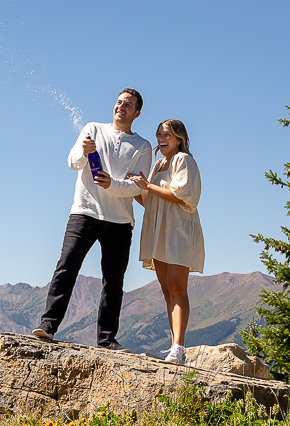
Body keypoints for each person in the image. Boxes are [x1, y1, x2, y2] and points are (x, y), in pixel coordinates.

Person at [32, 89, 153, 350]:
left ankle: (106, 339)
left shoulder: (143, 146)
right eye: (119, 102)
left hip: (120, 220)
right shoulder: (92, 129)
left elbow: (138, 187)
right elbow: (72, 163)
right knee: (66, 267)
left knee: (114, 281)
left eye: (128, 105)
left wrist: (112, 184)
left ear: (137, 113)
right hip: (84, 212)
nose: (121, 107)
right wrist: (83, 153)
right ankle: (47, 326)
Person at [130, 119, 204, 364]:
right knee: (165, 290)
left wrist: (147, 186)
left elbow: (181, 195)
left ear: (179, 138)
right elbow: (149, 200)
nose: (161, 138)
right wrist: (137, 186)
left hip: (179, 229)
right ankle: (174, 348)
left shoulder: (184, 160)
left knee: (177, 288)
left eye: (167, 135)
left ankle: (179, 348)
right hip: (160, 230)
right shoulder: (160, 164)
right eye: (159, 134)